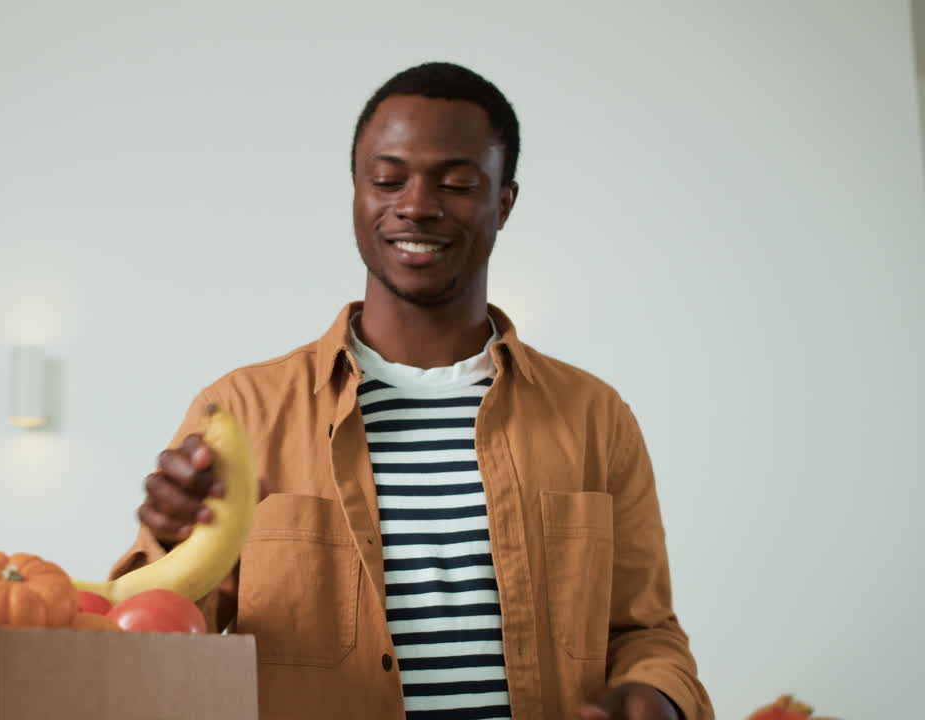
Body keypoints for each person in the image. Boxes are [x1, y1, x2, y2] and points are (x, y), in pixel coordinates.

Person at [111, 62, 713, 720]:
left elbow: (646, 632)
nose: (417, 204)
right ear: (356, 194)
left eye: (456, 183)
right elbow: (143, 645)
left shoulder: (594, 417)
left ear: (503, 202)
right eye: (387, 179)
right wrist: (173, 539)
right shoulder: (246, 411)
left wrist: (655, 698)